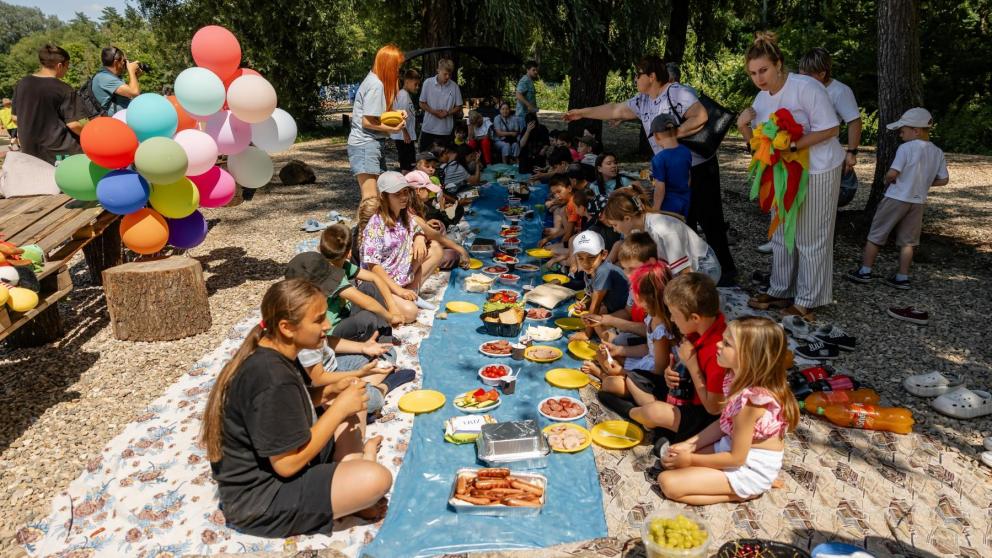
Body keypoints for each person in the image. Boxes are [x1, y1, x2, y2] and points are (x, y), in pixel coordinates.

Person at [202, 279, 392, 537]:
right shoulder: (271, 378)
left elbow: (296, 402)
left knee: (354, 401)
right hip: (263, 501)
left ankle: (350, 475)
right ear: (287, 327)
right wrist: (337, 409)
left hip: (292, 458)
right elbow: (287, 465)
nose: (327, 326)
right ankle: (356, 476)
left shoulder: (278, 352)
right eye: (318, 320)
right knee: (376, 479)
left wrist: (331, 392)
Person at [564, 55, 738, 285]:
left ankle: (724, 272)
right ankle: (686, 273)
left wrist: (673, 134)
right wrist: (583, 112)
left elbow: (700, 116)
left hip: (698, 166)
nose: (635, 79)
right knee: (682, 221)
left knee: (710, 219)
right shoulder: (643, 100)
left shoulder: (676, 92)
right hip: (671, 170)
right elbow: (615, 109)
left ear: (652, 76)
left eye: (638, 75)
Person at [739, 32, 844, 320]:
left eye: (763, 70)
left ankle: (808, 298)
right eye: (753, 73)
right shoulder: (760, 99)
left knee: (811, 235)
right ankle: (780, 288)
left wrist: (792, 145)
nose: (759, 78)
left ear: (778, 64)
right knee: (782, 233)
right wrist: (743, 127)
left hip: (818, 167)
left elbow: (831, 129)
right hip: (781, 173)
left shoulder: (805, 87)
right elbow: (758, 146)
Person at [659, 316, 799, 505]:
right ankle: (734, 484)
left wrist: (691, 459)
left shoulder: (751, 404)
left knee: (668, 483)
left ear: (748, 357)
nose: (718, 344)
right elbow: (724, 423)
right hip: (733, 448)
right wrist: (689, 445)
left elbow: (736, 459)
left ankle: (748, 492)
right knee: (670, 460)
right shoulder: (735, 377)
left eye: (727, 343)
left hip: (748, 468)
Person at [846, 108, 948, 290]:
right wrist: (923, 182)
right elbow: (944, 179)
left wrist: (886, 179)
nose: (900, 134)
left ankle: (865, 270)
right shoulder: (937, 152)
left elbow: (893, 173)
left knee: (876, 233)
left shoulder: (906, 148)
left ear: (916, 130)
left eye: (903, 130)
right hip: (918, 201)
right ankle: (902, 276)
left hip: (896, 196)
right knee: (908, 241)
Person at [624, 272, 728, 445]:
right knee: (634, 379)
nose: (671, 319)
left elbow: (714, 408)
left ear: (695, 318)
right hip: (683, 394)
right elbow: (680, 369)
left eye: (674, 314)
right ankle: (656, 423)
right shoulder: (698, 329)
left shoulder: (719, 349)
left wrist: (692, 364)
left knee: (653, 412)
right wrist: (669, 373)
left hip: (701, 414)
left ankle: (642, 417)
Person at [603, 189, 721, 283]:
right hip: (677, 270)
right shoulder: (637, 230)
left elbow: (685, 272)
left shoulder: (661, 228)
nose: (615, 229)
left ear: (627, 219)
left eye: (615, 225)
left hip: (703, 268)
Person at [319, 224, 412, 327]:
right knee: (368, 315)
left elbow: (375, 277)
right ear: (349, 253)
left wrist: (392, 306)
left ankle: (382, 330)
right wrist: (391, 317)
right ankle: (382, 335)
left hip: (342, 316)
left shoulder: (341, 265)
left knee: (369, 286)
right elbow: (367, 302)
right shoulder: (331, 277)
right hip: (331, 330)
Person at [359, 172, 428, 307]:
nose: (403, 197)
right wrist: (398, 291)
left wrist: (419, 239)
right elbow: (373, 266)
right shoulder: (376, 225)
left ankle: (409, 292)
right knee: (410, 312)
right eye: (397, 194)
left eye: (405, 192)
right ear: (384, 197)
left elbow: (418, 229)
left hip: (400, 274)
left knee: (435, 250)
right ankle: (399, 297)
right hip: (381, 282)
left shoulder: (404, 215)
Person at [348, 45, 407, 200]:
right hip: (365, 145)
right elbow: (367, 122)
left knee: (380, 195)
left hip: (369, 145)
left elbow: (375, 116)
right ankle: (366, 225)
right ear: (389, 65)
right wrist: (393, 130)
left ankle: (373, 225)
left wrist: (396, 114)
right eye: (397, 67)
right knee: (371, 197)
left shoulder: (373, 81)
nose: (398, 72)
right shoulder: (376, 85)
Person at [11, 44, 87, 165]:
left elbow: (15, 118)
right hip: (61, 152)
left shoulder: (22, 83)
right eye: (67, 66)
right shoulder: (64, 89)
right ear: (60, 65)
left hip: (30, 152)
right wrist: (91, 136)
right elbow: (73, 124)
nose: (67, 70)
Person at [569, 230, 630, 340]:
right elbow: (593, 299)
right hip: (611, 308)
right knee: (592, 316)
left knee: (596, 321)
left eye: (591, 257)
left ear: (604, 254)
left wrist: (586, 334)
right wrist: (585, 305)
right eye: (580, 258)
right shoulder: (590, 269)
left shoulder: (603, 270)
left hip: (627, 312)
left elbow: (596, 305)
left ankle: (611, 343)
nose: (585, 263)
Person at [648, 114, 693, 218]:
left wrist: (656, 209)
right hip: (685, 200)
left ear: (656, 136)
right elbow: (689, 176)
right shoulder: (686, 151)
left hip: (668, 204)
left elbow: (660, 188)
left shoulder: (659, 159)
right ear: (677, 131)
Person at [419, 59, 463, 151]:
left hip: (446, 131)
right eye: (445, 74)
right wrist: (434, 112)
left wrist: (448, 113)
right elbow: (421, 103)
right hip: (429, 129)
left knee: (444, 162)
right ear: (438, 70)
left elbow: (459, 106)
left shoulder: (454, 86)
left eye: (449, 74)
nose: (447, 77)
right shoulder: (428, 83)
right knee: (425, 159)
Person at [91, 46, 142, 116]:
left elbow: (129, 92)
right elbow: (134, 92)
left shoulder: (111, 77)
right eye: (124, 61)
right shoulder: (104, 78)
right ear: (116, 62)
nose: (125, 64)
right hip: (113, 123)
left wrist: (135, 76)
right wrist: (131, 71)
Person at [390, 69, 421, 172]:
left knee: (408, 166)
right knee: (407, 167)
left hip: (405, 137)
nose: (417, 87)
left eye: (418, 85)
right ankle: (406, 186)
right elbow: (399, 115)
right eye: (415, 84)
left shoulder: (405, 95)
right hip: (404, 137)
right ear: (407, 82)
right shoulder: (403, 95)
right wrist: (405, 132)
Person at [515, 60, 540, 128]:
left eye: (536, 70)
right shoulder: (525, 80)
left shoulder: (530, 80)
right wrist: (529, 105)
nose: (536, 72)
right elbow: (518, 94)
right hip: (523, 116)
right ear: (527, 70)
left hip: (529, 115)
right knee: (523, 136)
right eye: (533, 70)